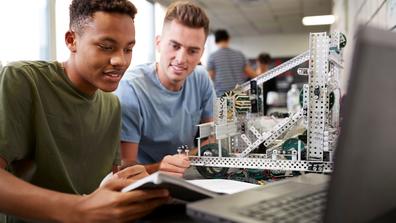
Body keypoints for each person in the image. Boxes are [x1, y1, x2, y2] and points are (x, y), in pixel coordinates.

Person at [0, 1, 170, 222]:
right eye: (106, 46)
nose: (121, 60)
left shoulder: (112, 105)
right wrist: (78, 208)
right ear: (72, 40)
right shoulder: (22, 80)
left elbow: (104, 182)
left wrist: (133, 179)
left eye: (128, 49)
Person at [114, 1, 215, 177]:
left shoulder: (201, 78)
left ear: (201, 53)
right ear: (159, 43)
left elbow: (212, 141)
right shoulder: (131, 89)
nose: (181, 59)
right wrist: (161, 167)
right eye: (175, 46)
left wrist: (184, 160)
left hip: (188, 175)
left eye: (192, 51)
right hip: (145, 184)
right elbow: (126, 172)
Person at [207, 29, 257, 96]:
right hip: (240, 95)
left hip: (222, 96)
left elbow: (209, 78)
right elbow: (251, 73)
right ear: (228, 39)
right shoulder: (239, 54)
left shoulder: (212, 57)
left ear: (215, 41)